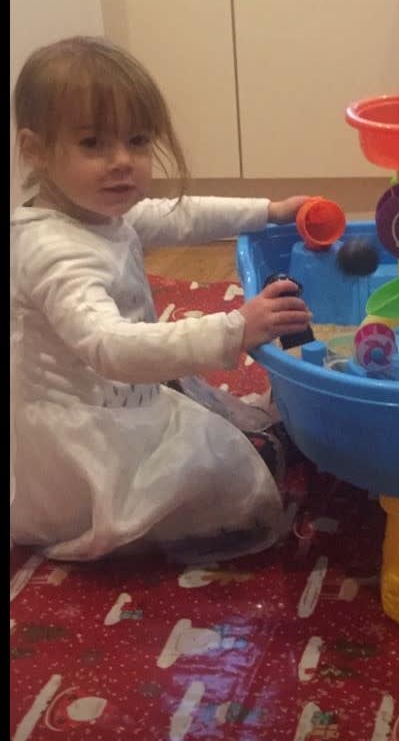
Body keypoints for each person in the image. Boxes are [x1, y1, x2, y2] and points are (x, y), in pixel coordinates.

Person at [10, 36, 314, 561]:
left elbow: (181, 214)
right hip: (87, 439)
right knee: (230, 480)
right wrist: (235, 328)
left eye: (137, 140)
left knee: (208, 420)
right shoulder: (55, 252)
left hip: (118, 394)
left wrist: (271, 210)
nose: (122, 161)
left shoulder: (96, 210)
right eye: (92, 144)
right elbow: (111, 348)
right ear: (35, 150)